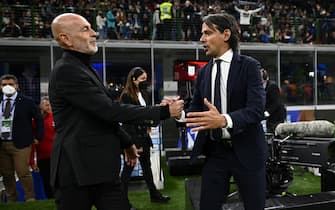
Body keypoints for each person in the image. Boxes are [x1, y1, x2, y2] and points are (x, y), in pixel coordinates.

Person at [49, 13, 183, 210]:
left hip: (101, 169)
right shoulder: (67, 71)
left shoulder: (83, 68)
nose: (94, 33)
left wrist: (127, 143)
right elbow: (110, 111)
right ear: (65, 38)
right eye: (86, 29)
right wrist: (162, 112)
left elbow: (99, 115)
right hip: (77, 171)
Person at [183, 13, 267, 210]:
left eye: (207, 33)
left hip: (247, 150)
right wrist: (177, 112)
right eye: (202, 34)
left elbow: (256, 110)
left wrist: (224, 120)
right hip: (215, 152)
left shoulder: (249, 66)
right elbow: (195, 110)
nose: (202, 39)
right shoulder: (204, 72)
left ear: (226, 34)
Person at [120, 67, 170, 210]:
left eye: (146, 79)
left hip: (144, 137)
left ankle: (154, 195)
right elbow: (127, 121)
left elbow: (146, 115)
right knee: (127, 171)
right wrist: (133, 143)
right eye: (142, 79)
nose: (145, 82)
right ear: (134, 80)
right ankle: (122, 203)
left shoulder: (144, 94)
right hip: (133, 141)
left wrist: (158, 111)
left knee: (147, 168)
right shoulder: (126, 96)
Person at [0, 74, 44, 202]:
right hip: (2, 143)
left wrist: (38, 137)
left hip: (21, 143)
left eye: (11, 84)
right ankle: (12, 200)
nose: (7, 87)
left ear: (17, 86)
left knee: (23, 172)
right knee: (6, 174)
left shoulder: (27, 101)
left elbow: (39, 120)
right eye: (4, 84)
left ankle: (30, 199)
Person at [29, 96, 55, 199]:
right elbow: (32, 142)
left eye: (50, 105)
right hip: (42, 157)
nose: (49, 107)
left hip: (56, 156)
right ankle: (51, 200)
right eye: (47, 104)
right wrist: (31, 161)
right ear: (40, 106)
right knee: (46, 181)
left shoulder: (55, 118)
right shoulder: (34, 122)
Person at [261, 68, 286, 133]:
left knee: (274, 131)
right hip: (270, 115)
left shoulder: (272, 86)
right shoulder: (261, 88)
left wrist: (267, 112)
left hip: (277, 115)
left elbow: (276, 102)